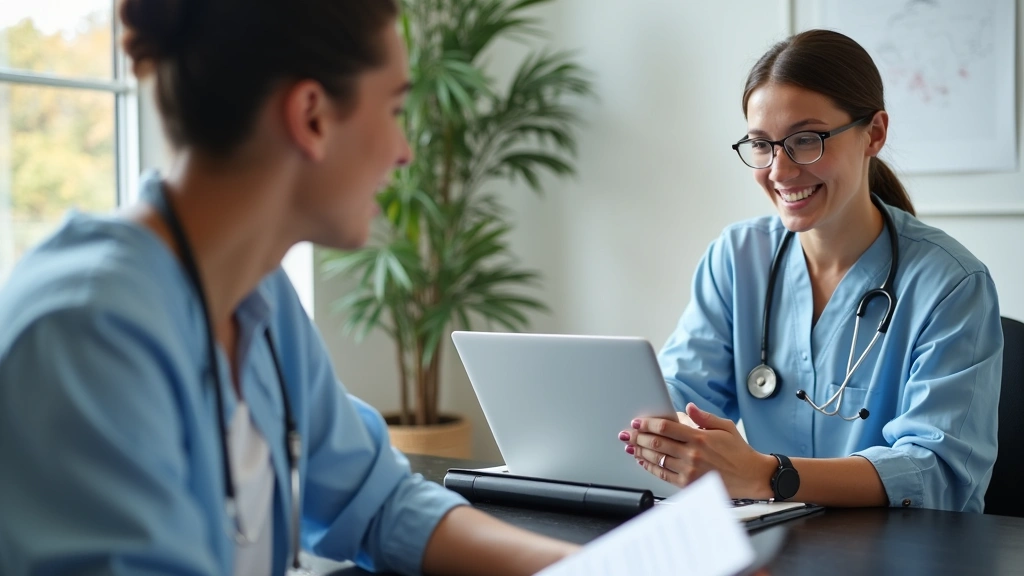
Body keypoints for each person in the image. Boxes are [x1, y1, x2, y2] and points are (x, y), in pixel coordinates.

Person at [0, 0, 579, 574]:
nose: (405, 152)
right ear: (311, 117)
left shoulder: (261, 297)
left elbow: (380, 505)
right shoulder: (85, 334)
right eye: (395, 109)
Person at [619, 29, 1002, 512]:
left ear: (874, 134)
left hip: (895, 553)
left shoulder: (951, 284)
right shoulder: (738, 258)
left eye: (806, 140)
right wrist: (656, 427)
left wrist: (768, 475)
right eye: (762, 144)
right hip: (767, 543)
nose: (779, 170)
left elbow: (938, 472)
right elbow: (678, 392)